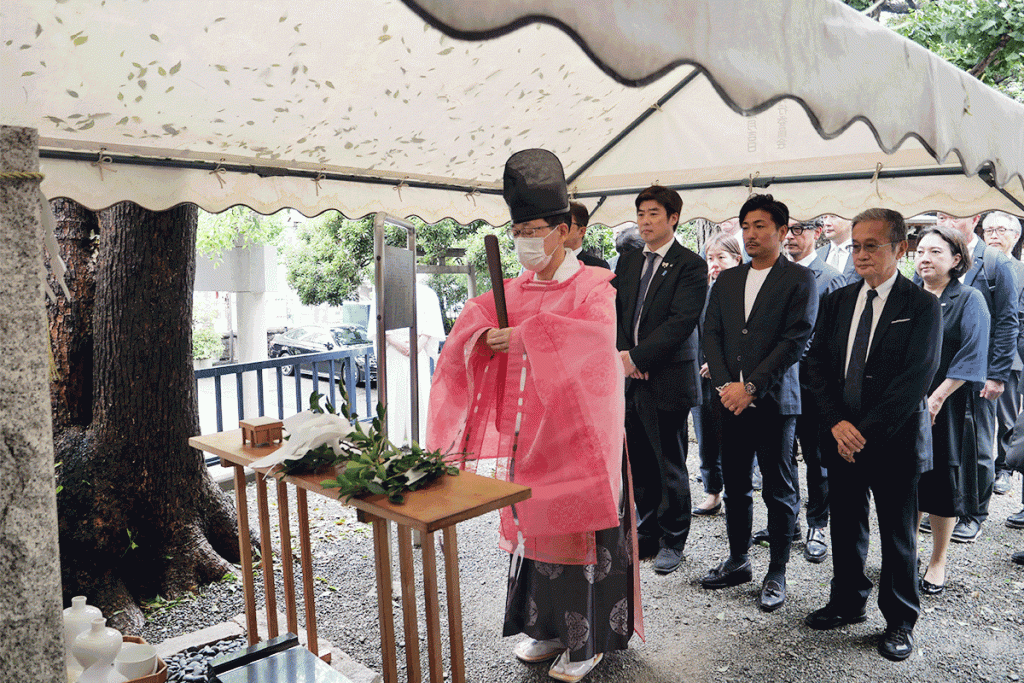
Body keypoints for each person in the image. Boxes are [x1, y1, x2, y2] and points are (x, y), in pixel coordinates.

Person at [426, 149, 640, 682]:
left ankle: (587, 640)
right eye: (517, 227)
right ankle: (547, 628)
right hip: (531, 436)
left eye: (534, 227)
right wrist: (481, 338)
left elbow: (592, 348)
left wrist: (522, 338)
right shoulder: (514, 290)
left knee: (579, 532)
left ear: (565, 230)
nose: (523, 238)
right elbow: (465, 336)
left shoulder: (594, 286)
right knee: (536, 533)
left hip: (582, 437)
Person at [804, 208, 942, 662]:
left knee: (899, 535)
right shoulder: (838, 300)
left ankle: (901, 620)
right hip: (841, 438)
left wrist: (861, 432)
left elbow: (915, 380)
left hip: (894, 441)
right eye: (857, 245)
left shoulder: (920, 305)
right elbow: (817, 366)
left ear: (899, 248)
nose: (861, 254)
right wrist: (836, 424)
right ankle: (847, 601)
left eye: (872, 246)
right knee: (845, 525)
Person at [700, 194, 816, 613]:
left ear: (782, 232)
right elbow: (710, 332)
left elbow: (796, 340)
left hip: (773, 403)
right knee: (734, 483)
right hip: (727, 401)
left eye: (761, 226)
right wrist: (727, 385)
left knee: (779, 487)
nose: (750, 234)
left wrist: (750, 387)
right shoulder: (728, 281)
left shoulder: (799, 280)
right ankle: (738, 560)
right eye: (746, 226)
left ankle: (777, 571)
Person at [614, 185, 707, 575]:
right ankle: (646, 532)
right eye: (641, 214)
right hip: (631, 376)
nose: (646, 221)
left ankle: (674, 539)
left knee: (669, 462)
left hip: (667, 376)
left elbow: (680, 323)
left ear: (673, 218)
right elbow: (619, 314)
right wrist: (625, 357)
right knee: (638, 462)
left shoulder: (690, 264)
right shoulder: (630, 261)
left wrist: (638, 356)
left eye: (654, 214)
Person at [913, 226, 989, 596]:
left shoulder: (969, 299)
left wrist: (937, 397)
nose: (924, 258)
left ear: (956, 260)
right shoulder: (908, 297)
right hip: (906, 403)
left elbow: (973, 354)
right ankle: (905, 549)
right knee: (905, 478)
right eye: (921, 251)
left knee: (942, 480)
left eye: (935, 252)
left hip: (949, 404)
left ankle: (938, 560)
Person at [934, 212, 1018, 543]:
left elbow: (1008, 320)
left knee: (980, 443)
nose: (947, 220)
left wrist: (997, 374)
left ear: (975, 219)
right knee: (943, 440)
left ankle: (974, 513)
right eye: (941, 215)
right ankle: (942, 506)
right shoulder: (935, 255)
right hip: (939, 370)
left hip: (981, 369)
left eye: (955, 214)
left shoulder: (995, 261)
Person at [775, 218, 845, 563]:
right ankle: (790, 522)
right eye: (785, 229)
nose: (790, 236)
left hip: (813, 385)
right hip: (776, 384)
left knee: (818, 458)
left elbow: (832, 336)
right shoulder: (772, 273)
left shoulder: (831, 277)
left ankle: (819, 523)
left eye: (798, 229)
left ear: (817, 232)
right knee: (782, 457)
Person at [692, 232, 743, 516]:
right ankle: (713, 491)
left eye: (721, 258)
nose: (714, 264)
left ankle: (736, 491)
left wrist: (719, 361)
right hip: (700, 374)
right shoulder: (702, 289)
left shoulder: (744, 290)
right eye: (710, 258)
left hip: (733, 377)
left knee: (730, 438)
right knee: (705, 436)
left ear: (737, 259)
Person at [981, 211, 1024, 499]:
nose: (994, 235)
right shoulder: (976, 265)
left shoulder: (1020, 269)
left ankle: (1004, 468)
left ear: (1016, 235)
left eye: (1001, 230)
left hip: (1012, 348)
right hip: (978, 346)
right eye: (989, 230)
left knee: (1007, 415)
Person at [382, 279, 446, 446]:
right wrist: (396, 342)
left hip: (418, 349)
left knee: (421, 395)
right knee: (393, 395)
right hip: (394, 349)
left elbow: (432, 323)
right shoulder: (384, 291)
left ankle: (421, 443)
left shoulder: (427, 293)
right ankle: (392, 443)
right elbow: (378, 323)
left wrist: (419, 344)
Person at [567, 201, 610, 269]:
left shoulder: (598, 266)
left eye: (567, 224)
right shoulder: (548, 264)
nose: (560, 228)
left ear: (582, 231)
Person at [817, 214, 857, 282]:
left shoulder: (865, 253)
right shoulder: (817, 254)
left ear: (851, 220)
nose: (826, 223)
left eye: (833, 216)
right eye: (824, 218)